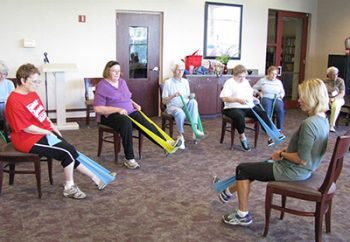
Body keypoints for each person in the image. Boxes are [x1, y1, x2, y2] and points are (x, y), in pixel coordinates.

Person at [216, 78, 329, 226]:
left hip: (293, 170)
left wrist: (281, 154)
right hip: (304, 169)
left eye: (303, 97)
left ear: (313, 98)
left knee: (242, 169)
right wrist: (285, 151)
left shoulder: (309, 124)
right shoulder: (323, 120)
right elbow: (307, 150)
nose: (299, 100)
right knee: (255, 169)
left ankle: (242, 214)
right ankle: (228, 192)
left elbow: (301, 159)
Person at [5, 63, 112, 199]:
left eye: (39, 81)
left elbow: (42, 115)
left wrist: (53, 127)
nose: (37, 84)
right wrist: (47, 132)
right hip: (26, 138)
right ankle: (69, 187)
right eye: (35, 81)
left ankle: (95, 178)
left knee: (69, 151)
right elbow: (26, 127)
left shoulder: (32, 93)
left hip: (42, 132)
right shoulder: (14, 100)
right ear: (23, 81)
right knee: (67, 151)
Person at [94, 60, 181, 169]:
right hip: (109, 115)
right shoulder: (102, 85)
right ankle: (129, 158)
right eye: (114, 71)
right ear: (107, 71)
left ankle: (167, 144)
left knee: (145, 121)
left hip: (129, 111)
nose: (117, 74)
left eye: (118, 71)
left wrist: (135, 104)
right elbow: (98, 108)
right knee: (126, 122)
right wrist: (117, 109)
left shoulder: (122, 82)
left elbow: (126, 98)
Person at [220, 64, 283, 151]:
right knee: (239, 116)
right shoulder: (229, 82)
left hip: (247, 106)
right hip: (232, 107)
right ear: (234, 75)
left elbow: (248, 93)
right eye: (239, 77)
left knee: (262, 113)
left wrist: (253, 98)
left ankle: (271, 135)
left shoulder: (245, 82)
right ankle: (242, 137)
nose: (242, 79)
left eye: (244, 76)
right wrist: (238, 100)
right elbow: (224, 98)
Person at [162, 60, 204, 149]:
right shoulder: (168, 82)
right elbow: (164, 101)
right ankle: (180, 136)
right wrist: (173, 95)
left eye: (182, 69)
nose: (180, 71)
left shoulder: (185, 81)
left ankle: (194, 130)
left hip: (184, 105)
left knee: (193, 102)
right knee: (180, 112)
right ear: (173, 71)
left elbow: (187, 97)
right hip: (173, 106)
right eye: (178, 70)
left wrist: (190, 96)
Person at [253, 66, 285, 132]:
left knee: (280, 108)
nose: (274, 76)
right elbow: (253, 88)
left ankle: (279, 128)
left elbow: (282, 92)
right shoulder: (262, 80)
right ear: (268, 73)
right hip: (266, 97)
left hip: (276, 97)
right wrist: (258, 93)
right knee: (267, 108)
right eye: (272, 73)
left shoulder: (278, 82)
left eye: (275, 74)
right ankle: (267, 128)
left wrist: (280, 96)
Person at [323, 66, 345, 132]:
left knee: (336, 105)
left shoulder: (340, 81)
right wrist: (327, 98)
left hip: (338, 98)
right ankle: (321, 122)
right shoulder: (324, 81)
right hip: (327, 98)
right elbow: (321, 92)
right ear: (328, 75)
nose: (336, 76)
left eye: (337, 74)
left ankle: (331, 125)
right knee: (319, 103)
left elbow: (342, 93)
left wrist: (334, 98)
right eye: (333, 74)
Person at [0, 61, 15, 142]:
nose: (2, 76)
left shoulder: (9, 83)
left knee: (6, 108)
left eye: (4, 73)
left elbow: (12, 97)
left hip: (6, 105)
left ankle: (8, 135)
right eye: (0, 73)